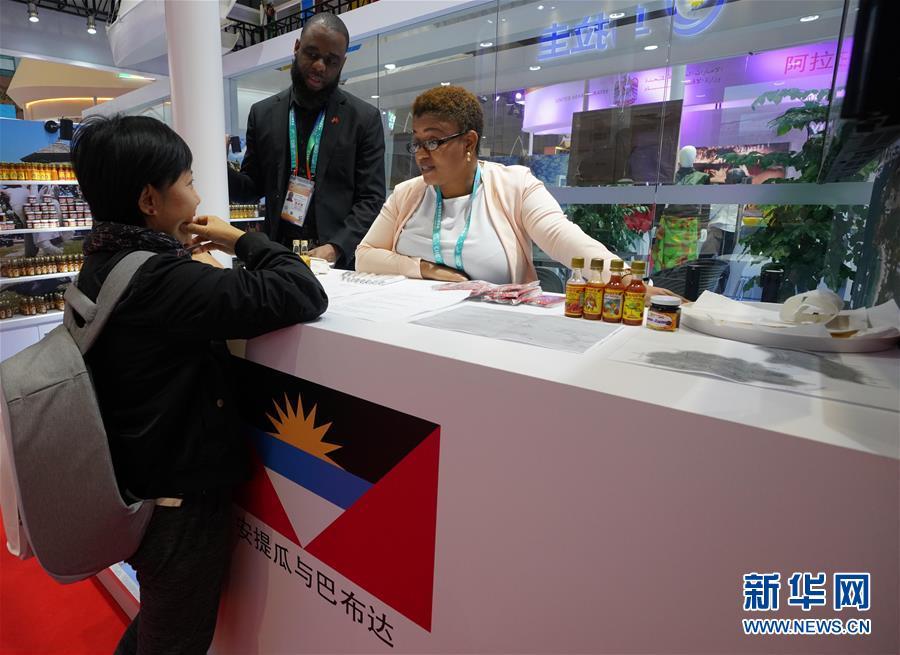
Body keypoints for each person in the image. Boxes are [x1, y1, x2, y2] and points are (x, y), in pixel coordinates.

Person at [71, 114, 328, 654]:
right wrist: (241, 239)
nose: (197, 195)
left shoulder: (104, 258)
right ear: (149, 199)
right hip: (177, 502)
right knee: (175, 640)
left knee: (162, 619)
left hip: (137, 480)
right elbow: (303, 291)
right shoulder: (162, 280)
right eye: (188, 182)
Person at [356, 85, 678, 299]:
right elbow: (365, 256)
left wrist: (627, 282)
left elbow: (563, 237)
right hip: (408, 325)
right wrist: (426, 269)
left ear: (468, 142)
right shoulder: (407, 194)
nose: (421, 154)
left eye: (433, 141)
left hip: (491, 334)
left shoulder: (515, 185)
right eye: (417, 142)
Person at [228, 13, 385, 268]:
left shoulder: (363, 119)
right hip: (276, 257)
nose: (320, 66)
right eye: (312, 54)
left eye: (331, 61)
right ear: (297, 48)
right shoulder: (262, 114)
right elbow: (251, 188)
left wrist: (336, 248)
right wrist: (219, 167)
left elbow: (371, 199)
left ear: (342, 63)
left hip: (335, 263)